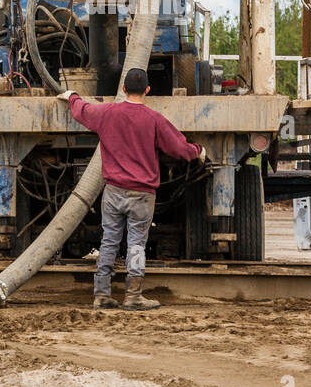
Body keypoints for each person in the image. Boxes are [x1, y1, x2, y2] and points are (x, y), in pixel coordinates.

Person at [59, 68, 205, 310]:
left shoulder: (107, 113)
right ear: (147, 90)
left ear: (123, 89)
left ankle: (102, 294)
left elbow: (81, 111)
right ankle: (134, 295)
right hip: (142, 195)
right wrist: (197, 151)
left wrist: (72, 96)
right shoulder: (154, 119)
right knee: (136, 244)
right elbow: (179, 148)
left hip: (113, 191)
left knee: (109, 242)